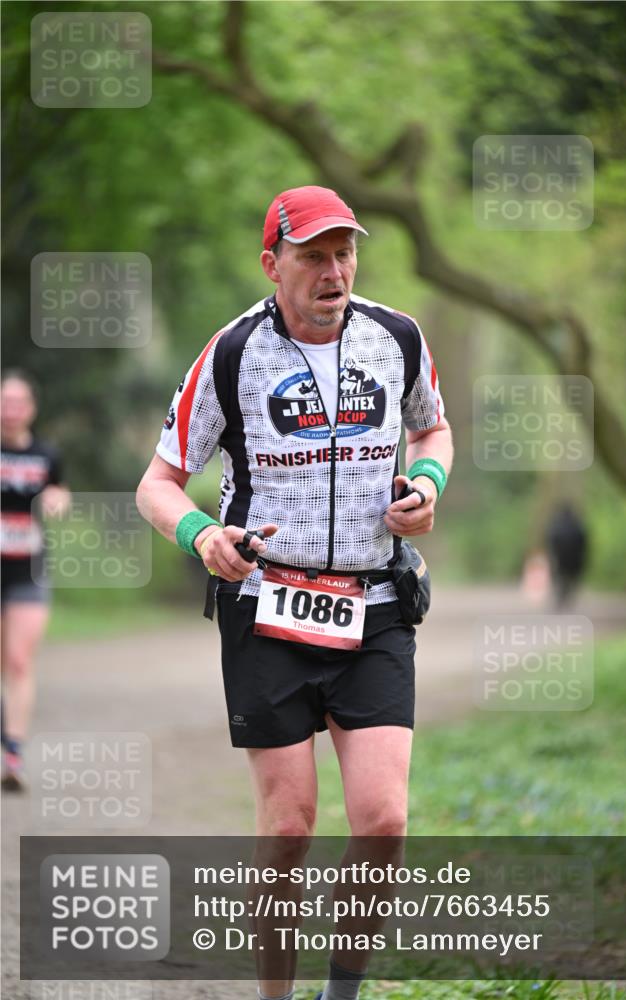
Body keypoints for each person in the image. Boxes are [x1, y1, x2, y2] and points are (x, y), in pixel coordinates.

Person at [137, 185, 453, 1000]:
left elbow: (432, 427)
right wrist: (202, 535)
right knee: (288, 829)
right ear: (271, 263)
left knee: (383, 821)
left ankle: (339, 993)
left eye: (344, 252)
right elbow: (159, 482)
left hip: (376, 603)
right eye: (313, 255)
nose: (333, 270)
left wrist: (424, 482)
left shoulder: (398, 338)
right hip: (266, 609)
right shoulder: (233, 353)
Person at [1, 370, 70, 791]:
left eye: (18, 402)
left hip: (28, 569)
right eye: (4, 401)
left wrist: (57, 500)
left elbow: (60, 492)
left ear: (31, 408)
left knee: (20, 661)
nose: (11, 410)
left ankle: (14, 752)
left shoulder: (47, 454)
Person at [545, 501, 588, 607]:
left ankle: (561, 598)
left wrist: (552, 555)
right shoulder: (577, 525)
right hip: (575, 558)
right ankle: (567, 597)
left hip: (560, 558)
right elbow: (583, 541)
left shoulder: (556, 525)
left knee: (560, 578)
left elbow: (551, 540)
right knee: (571, 578)